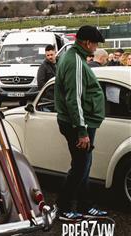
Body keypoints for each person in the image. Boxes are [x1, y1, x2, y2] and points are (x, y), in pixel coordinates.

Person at [54, 25, 107, 221]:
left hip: (80, 122)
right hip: (78, 124)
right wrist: (82, 130)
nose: (96, 48)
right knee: (80, 166)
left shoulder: (74, 57)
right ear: (86, 43)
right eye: (95, 44)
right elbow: (73, 99)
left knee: (84, 165)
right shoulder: (75, 61)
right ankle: (63, 207)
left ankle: (85, 205)